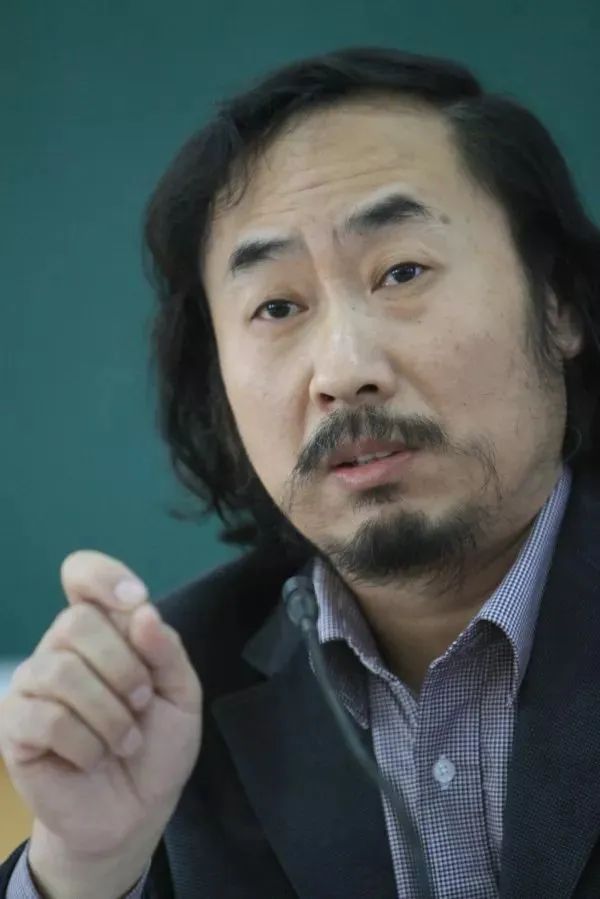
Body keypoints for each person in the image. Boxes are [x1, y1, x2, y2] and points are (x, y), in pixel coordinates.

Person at [1, 45, 599, 899]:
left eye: (402, 272)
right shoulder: (168, 697)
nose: (344, 370)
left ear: (559, 301)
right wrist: (85, 868)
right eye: (277, 307)